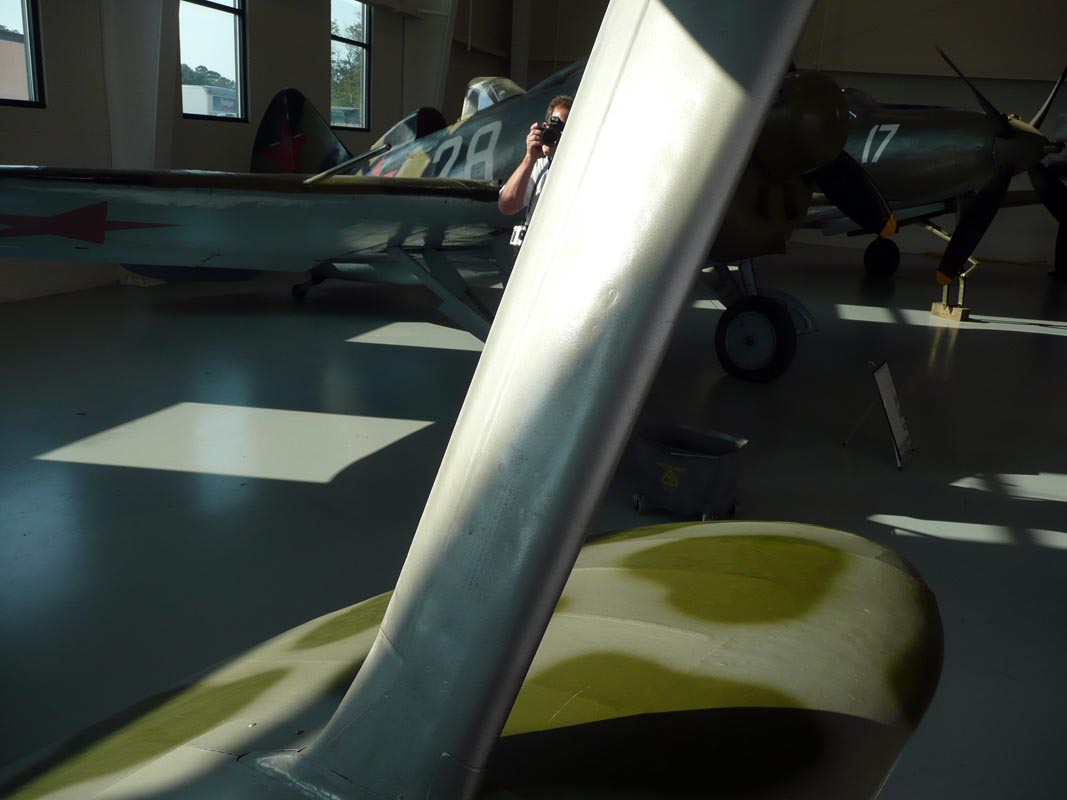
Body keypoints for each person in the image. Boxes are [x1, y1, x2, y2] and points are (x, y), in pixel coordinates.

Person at [498, 95, 573, 245]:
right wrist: (529, 158)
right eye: (552, 128)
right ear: (544, 127)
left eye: (562, 130)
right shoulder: (539, 167)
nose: (554, 135)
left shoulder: (582, 167)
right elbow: (507, 205)